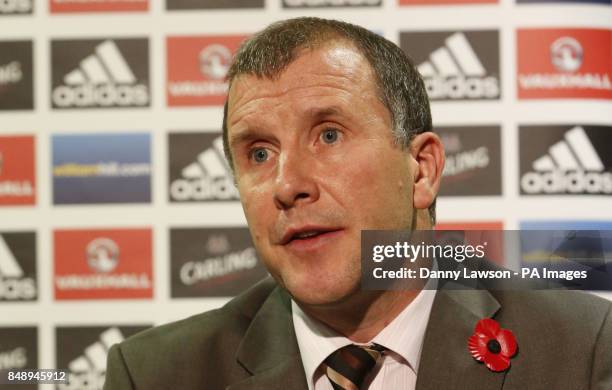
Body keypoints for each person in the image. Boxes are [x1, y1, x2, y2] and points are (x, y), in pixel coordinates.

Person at [103, 17, 612, 390]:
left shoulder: (582, 350)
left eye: (328, 135)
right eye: (259, 152)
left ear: (422, 170)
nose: (287, 185)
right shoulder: (154, 376)